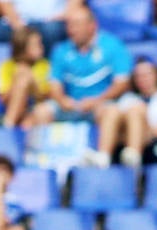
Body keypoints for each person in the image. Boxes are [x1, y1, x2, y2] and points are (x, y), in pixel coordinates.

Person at [46, 5, 132, 168]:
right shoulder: (61, 50)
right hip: (71, 105)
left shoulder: (112, 45)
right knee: (41, 112)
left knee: (111, 111)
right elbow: (54, 84)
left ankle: (102, 157)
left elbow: (122, 83)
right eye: (69, 25)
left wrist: (97, 100)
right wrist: (62, 100)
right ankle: (41, 163)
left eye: (76, 24)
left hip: (101, 103)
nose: (71, 30)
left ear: (92, 26)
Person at [0, 25, 52, 130]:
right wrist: (16, 80)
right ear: (23, 48)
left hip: (34, 111)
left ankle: (8, 126)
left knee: (29, 122)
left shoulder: (44, 65)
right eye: (36, 45)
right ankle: (9, 125)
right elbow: (3, 99)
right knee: (22, 81)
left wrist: (32, 82)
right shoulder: (7, 66)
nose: (41, 48)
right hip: (13, 110)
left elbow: (45, 96)